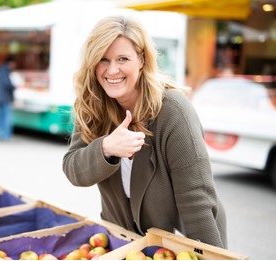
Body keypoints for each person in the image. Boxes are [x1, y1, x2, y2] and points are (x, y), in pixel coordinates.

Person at [62, 15, 227, 248]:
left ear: (141, 59)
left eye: (123, 59)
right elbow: (73, 169)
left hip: (173, 243)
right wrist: (106, 148)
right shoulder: (93, 103)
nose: (112, 70)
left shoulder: (173, 111)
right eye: (103, 59)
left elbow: (195, 200)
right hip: (121, 240)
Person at [0, 55, 18, 141]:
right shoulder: (5, 71)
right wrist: (14, 87)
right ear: (10, 63)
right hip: (6, 98)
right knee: (6, 118)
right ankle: (5, 136)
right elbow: (7, 84)